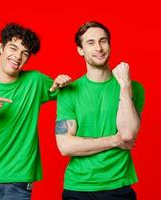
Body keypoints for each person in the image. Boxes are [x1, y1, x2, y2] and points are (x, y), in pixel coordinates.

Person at [0, 23, 71, 200]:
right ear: (0, 48)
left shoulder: (34, 81)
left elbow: (71, 95)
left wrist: (64, 83)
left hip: (17, 183)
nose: (17, 57)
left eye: (24, 53)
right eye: (13, 48)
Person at [55, 21, 145, 200]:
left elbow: (127, 134)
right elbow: (65, 146)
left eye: (103, 41)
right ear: (80, 50)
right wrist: (114, 140)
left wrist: (125, 86)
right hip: (78, 187)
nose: (99, 47)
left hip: (118, 185)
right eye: (90, 43)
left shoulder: (133, 88)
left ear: (109, 45)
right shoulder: (68, 91)